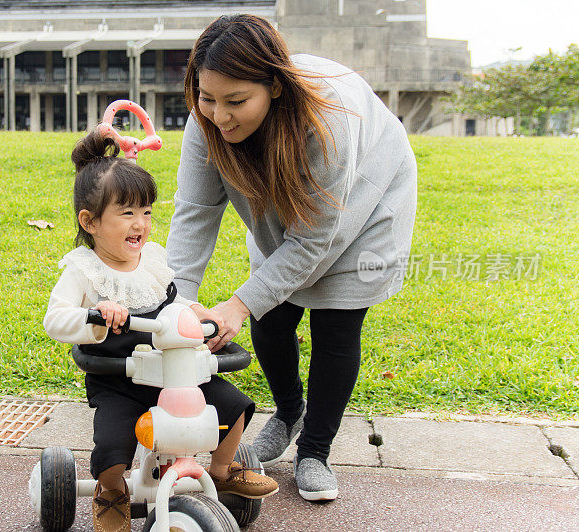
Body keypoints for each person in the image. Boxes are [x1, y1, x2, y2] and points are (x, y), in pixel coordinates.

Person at [166, 14, 417, 502]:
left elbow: (312, 241)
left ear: (275, 85)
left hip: (367, 199)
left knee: (336, 325)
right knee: (273, 319)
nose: (220, 115)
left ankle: (315, 451)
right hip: (289, 212)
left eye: (237, 101)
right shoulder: (208, 122)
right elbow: (195, 212)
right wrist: (179, 300)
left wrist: (235, 306)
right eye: (207, 98)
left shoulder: (328, 125)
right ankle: (288, 410)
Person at [43, 130, 278, 532]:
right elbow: (55, 320)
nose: (141, 224)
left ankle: (222, 470)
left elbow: (172, 301)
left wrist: (197, 311)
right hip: (117, 377)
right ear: (91, 221)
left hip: (171, 374)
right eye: (127, 213)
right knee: (113, 445)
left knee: (233, 406)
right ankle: (112, 490)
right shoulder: (83, 270)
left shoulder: (151, 260)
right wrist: (96, 315)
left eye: (147, 212)